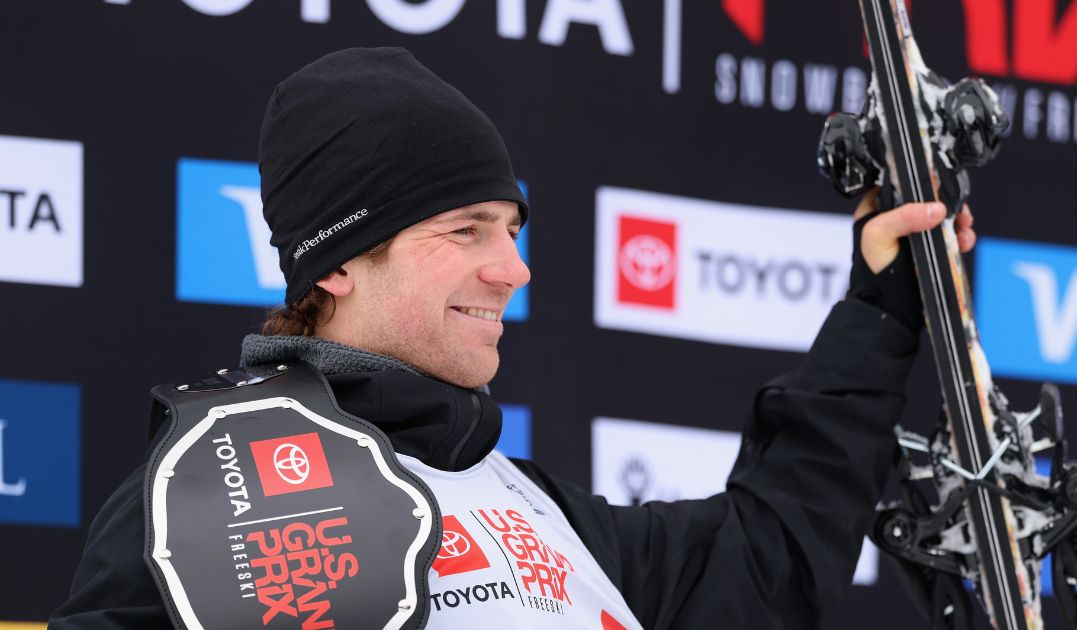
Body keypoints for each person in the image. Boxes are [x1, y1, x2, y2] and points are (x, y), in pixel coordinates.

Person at [49, 47, 974, 629]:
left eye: (511, 229)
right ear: (336, 265)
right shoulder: (220, 490)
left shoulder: (525, 503)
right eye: (465, 231)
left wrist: (881, 310)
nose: (512, 269)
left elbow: (762, 562)